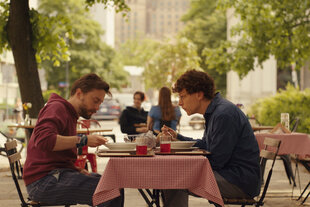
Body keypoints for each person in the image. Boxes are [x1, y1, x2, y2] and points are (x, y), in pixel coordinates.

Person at [161, 70, 261, 207]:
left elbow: (217, 161)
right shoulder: (215, 111)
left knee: (174, 179)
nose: (180, 103)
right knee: (172, 176)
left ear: (199, 94)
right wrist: (178, 137)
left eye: (183, 97)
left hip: (238, 181)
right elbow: (206, 145)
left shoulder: (223, 114)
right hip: (231, 175)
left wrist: (184, 165)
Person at [23, 74, 123, 206]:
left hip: (54, 176)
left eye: (100, 103)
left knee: (113, 184)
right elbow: (43, 140)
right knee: (109, 190)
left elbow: (57, 156)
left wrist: (75, 169)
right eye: (95, 100)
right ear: (79, 93)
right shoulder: (57, 108)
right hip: (42, 183)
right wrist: (84, 140)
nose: (97, 107)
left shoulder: (69, 113)